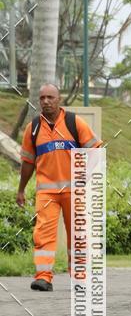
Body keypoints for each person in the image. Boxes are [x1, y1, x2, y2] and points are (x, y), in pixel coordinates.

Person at [16, 84, 102, 291]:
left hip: (75, 191)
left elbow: (96, 151)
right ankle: (43, 277)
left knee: (78, 234)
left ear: (59, 99)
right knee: (42, 234)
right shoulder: (33, 128)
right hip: (47, 193)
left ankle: (80, 278)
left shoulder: (74, 123)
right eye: (42, 98)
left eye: (50, 97)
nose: (46, 101)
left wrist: (85, 175)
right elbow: (28, 162)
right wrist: (21, 189)